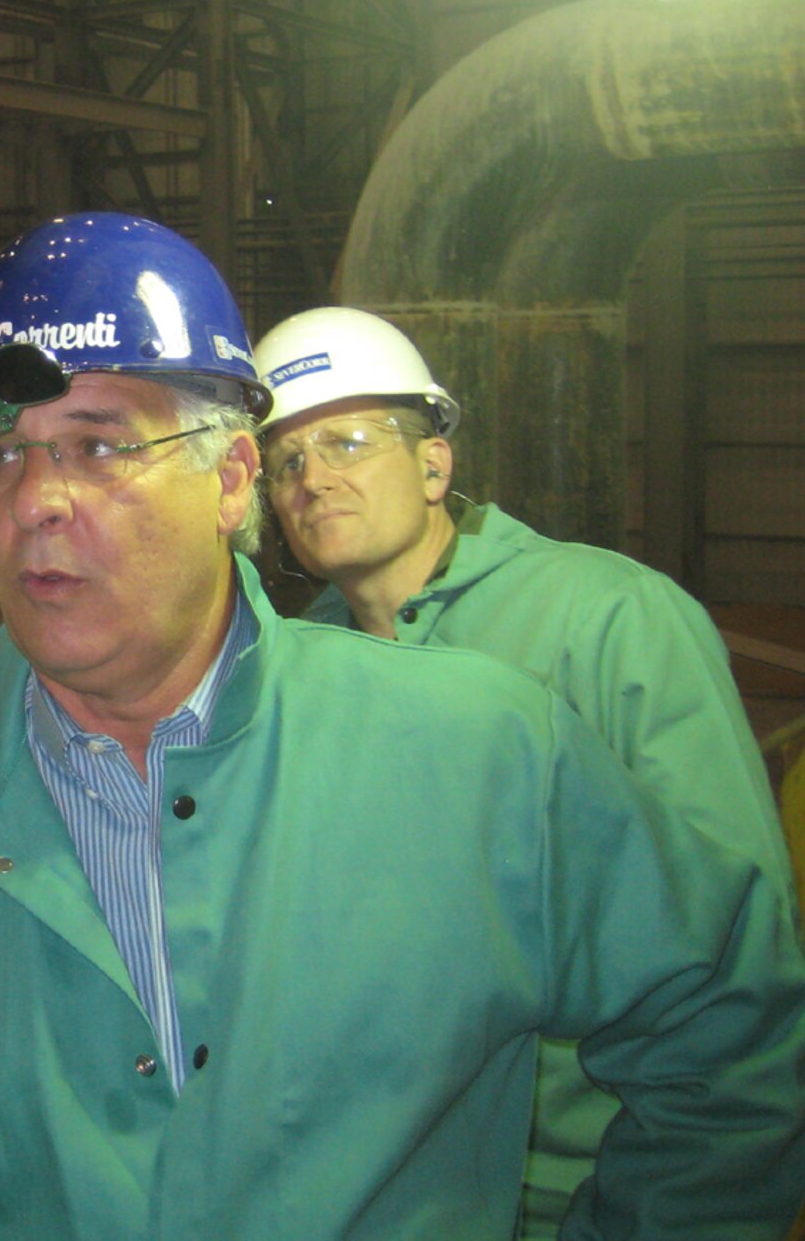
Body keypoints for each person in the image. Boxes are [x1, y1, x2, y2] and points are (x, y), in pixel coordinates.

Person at [0, 211, 805, 1239]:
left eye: (96, 446)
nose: (33, 501)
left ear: (231, 478)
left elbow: (729, 1036)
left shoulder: (479, 753)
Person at [253, 303, 800, 1239]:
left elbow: (736, 987)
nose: (314, 479)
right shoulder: (294, 675)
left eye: (347, 441)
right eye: (286, 462)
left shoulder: (610, 620)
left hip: (575, 1196)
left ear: (435, 463)